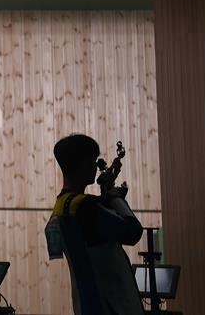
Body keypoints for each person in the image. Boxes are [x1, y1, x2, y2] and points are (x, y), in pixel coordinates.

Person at [49, 134, 144, 315]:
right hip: (112, 306)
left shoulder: (61, 207)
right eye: (93, 161)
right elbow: (133, 232)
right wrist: (116, 198)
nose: (95, 167)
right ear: (82, 164)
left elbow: (95, 228)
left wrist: (106, 200)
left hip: (86, 306)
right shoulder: (87, 206)